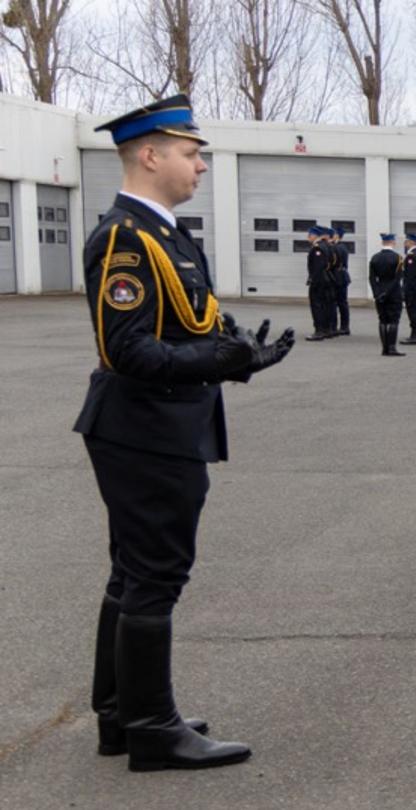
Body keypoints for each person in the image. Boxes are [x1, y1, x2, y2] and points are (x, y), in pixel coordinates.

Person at [78, 94, 295, 772]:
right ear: (150, 155)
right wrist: (214, 360)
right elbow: (128, 351)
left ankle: (121, 716)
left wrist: (239, 357)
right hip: (146, 428)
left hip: (160, 424)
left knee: (133, 572)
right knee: (155, 575)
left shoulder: (164, 233)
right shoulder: (126, 238)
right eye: (190, 153)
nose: (200, 165)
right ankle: (152, 729)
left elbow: (185, 327)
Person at [367, 232, 405, 357]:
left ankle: (384, 348)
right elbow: (397, 278)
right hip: (393, 293)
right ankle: (392, 347)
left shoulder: (375, 257)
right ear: (393, 242)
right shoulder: (398, 258)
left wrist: (377, 293)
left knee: (382, 320)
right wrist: (387, 292)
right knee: (394, 320)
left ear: (382, 242)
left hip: (379, 291)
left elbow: (372, 278)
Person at [304, 225, 336, 340]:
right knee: (325, 305)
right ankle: (327, 329)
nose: (308, 237)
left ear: (315, 235)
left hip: (319, 280)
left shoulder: (318, 248)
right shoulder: (327, 246)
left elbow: (318, 267)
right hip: (327, 278)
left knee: (317, 305)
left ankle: (319, 331)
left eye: (310, 235)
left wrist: (314, 281)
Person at [330, 228, 352, 338]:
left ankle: (337, 327)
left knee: (337, 303)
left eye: (333, 234)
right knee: (342, 303)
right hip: (341, 276)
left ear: (337, 236)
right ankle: (344, 326)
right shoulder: (342, 247)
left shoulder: (337, 247)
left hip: (337, 277)